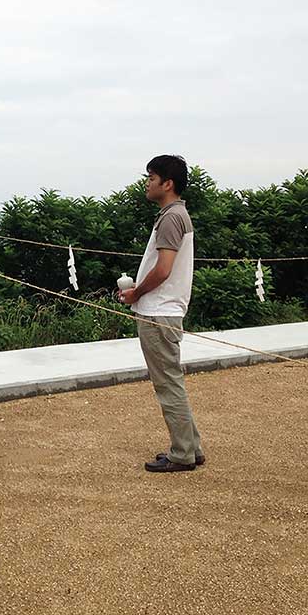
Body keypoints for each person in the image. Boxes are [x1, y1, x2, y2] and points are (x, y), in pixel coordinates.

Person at [118, 155, 203, 473]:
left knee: (167, 383)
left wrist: (136, 293)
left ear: (167, 183)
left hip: (158, 311)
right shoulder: (178, 214)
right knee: (172, 380)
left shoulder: (170, 217)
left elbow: (164, 269)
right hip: (165, 310)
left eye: (151, 177)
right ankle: (191, 447)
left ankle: (182, 453)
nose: (147, 182)